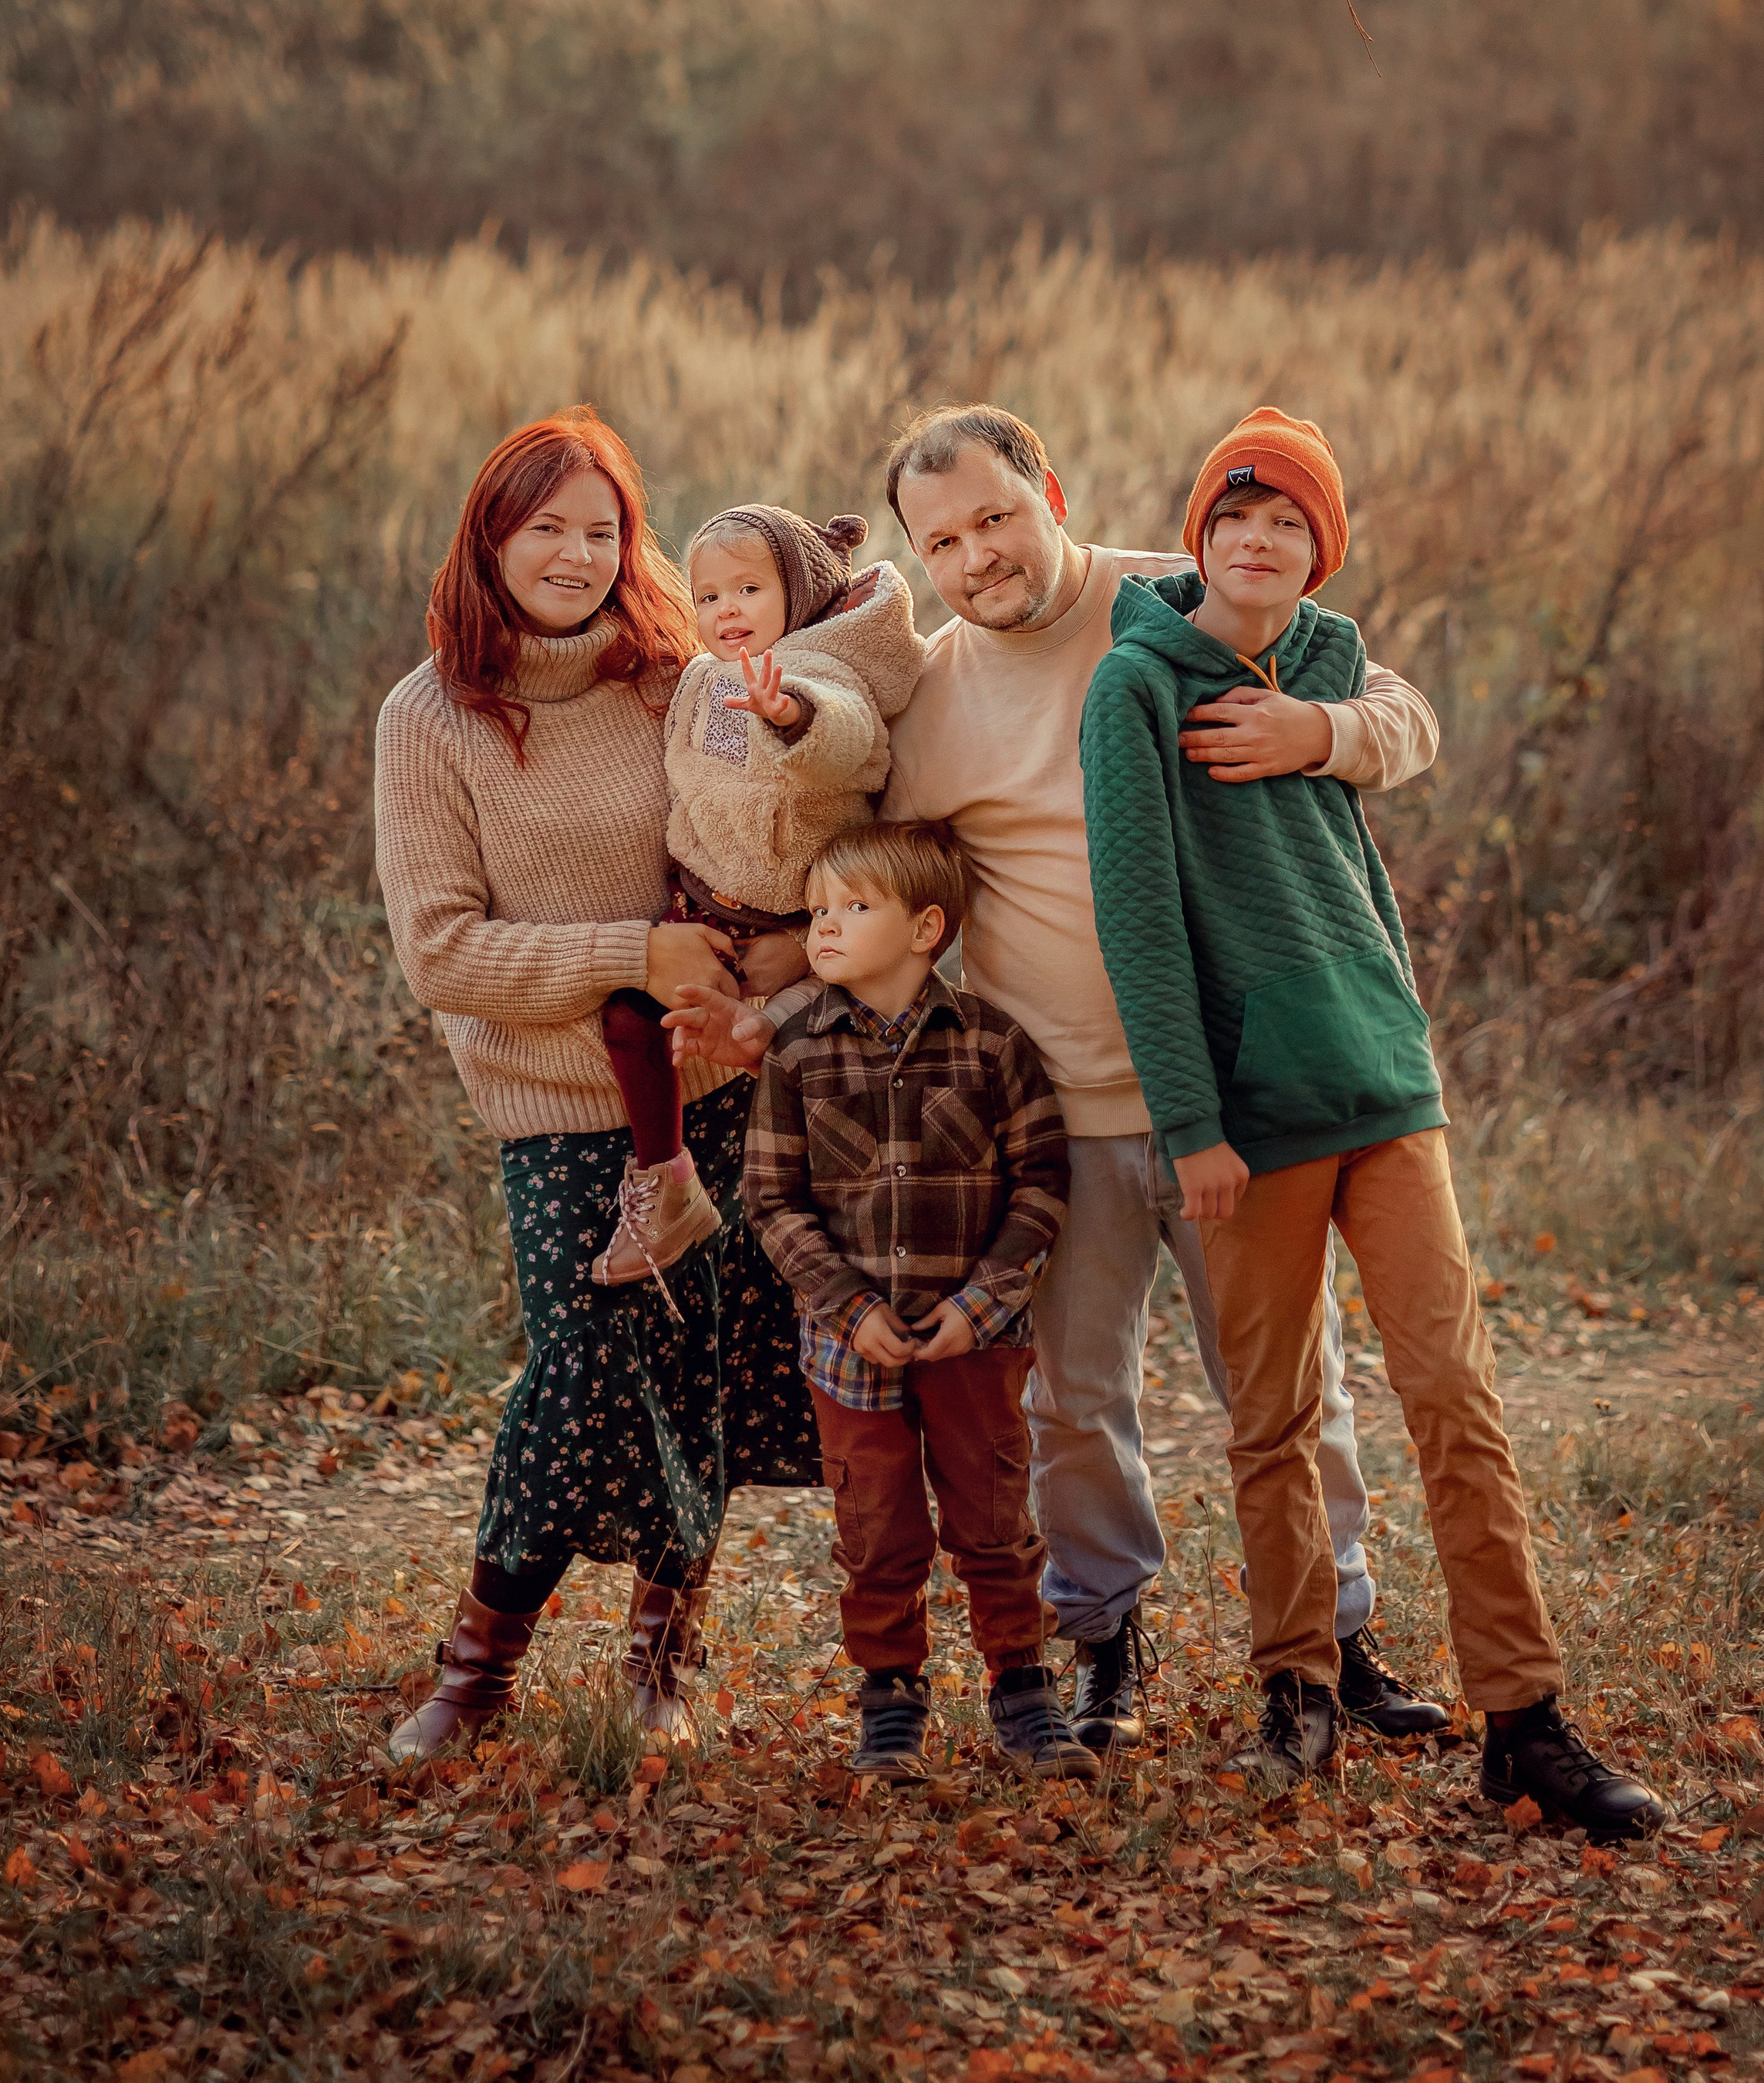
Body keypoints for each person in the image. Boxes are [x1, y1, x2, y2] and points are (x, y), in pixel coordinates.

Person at [1079, 405, 1667, 1835]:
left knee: (1453, 1397)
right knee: (1271, 1416)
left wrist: (1328, 734)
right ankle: (1298, 1690)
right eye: (1238, 514)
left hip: (1386, 1081)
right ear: (1200, 532)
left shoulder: (1338, 668)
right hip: (1251, 1115)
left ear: (1321, 549)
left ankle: (1524, 1718)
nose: (1262, 537)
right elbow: (1140, 925)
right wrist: (1191, 1121)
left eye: (1293, 521)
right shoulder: (1136, 691)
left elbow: (1408, 725)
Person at [876, 407, 1449, 1753]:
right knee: (1076, 1398)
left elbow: (1406, 714)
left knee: (1298, 1383)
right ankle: (1104, 1647)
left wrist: (1319, 735)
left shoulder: (1180, 604)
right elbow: (885, 892)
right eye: (941, 542)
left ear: (1051, 496)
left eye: (995, 519)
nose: (976, 558)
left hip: (1244, 1098)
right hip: (1058, 1113)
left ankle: (1340, 1639)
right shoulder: (930, 702)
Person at [372, 407, 819, 1761]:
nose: (575, 554)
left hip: (720, 1078)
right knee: (578, 1373)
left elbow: (778, 845)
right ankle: (477, 1666)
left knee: (709, 1364)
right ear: (490, 541)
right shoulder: (432, 717)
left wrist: (766, 983)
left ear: (634, 543)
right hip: (559, 1102)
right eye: (544, 527)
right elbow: (442, 954)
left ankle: (662, 1665)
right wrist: (636, 950)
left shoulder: (682, 681)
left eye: (601, 529)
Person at [743, 819, 1098, 1783]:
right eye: (817, 910)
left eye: (853, 908)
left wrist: (981, 1304)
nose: (823, 928)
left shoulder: (992, 1046)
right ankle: (889, 1698)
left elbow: (1040, 1184)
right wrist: (846, 1307)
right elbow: (771, 1201)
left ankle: (1022, 1689)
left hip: (972, 1341)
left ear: (925, 926)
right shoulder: (797, 1052)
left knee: (990, 1516)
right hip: (847, 1347)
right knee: (876, 1527)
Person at [593, 504, 922, 1292]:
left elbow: (849, 742)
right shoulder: (702, 679)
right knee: (631, 1019)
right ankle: (666, 1177)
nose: (726, 610)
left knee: (803, 1050)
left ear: (799, 598)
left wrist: (790, 715)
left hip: (797, 921)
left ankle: (876, 1219)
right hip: (706, 909)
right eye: (708, 597)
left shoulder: (820, 671)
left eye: (748, 588)